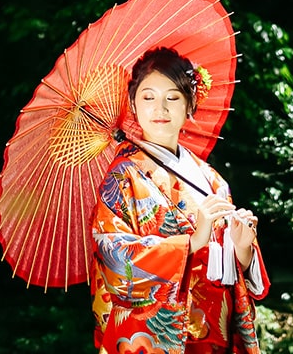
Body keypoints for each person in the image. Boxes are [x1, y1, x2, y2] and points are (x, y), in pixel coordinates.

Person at [90, 46, 270, 354]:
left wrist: (242, 250)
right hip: (162, 336)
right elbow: (113, 259)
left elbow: (228, 268)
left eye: (172, 97)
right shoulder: (122, 178)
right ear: (133, 105)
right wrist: (193, 242)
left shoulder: (212, 179)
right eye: (148, 97)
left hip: (217, 332)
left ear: (190, 104)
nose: (160, 108)